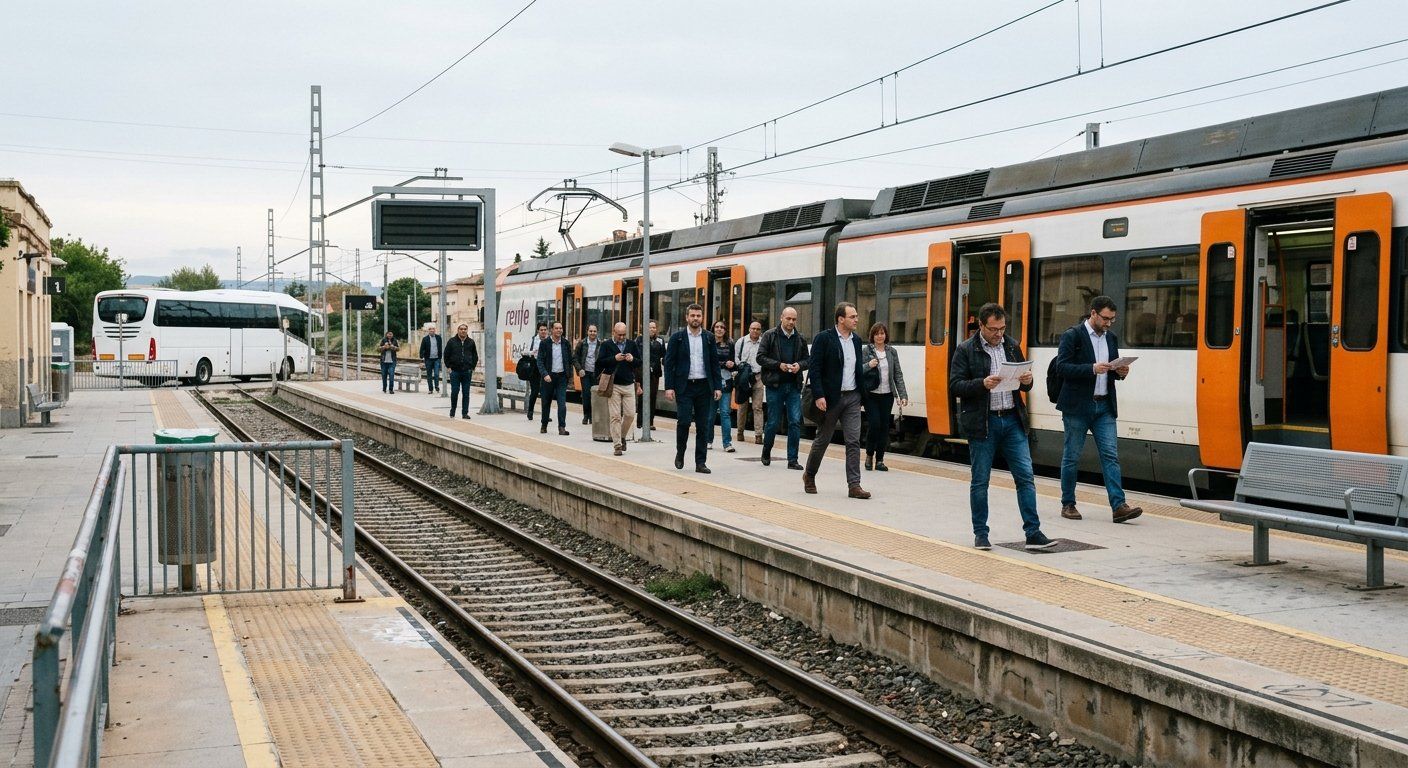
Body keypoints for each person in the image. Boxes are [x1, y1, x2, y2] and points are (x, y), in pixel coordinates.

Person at [950, 303, 1056, 551]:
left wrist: (1027, 381)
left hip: (1011, 420)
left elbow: (1024, 385)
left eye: (1002, 328)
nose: (999, 334)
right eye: (993, 329)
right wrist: (982, 384)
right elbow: (955, 385)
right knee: (980, 481)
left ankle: (1033, 532)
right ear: (981, 326)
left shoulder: (1011, 345)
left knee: (1025, 477)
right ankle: (981, 534)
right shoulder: (966, 349)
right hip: (983, 422)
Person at [1053, 295, 1143, 524]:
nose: (1109, 323)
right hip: (1077, 407)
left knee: (1111, 455)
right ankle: (1068, 503)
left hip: (1104, 405)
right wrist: (1091, 368)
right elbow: (1062, 368)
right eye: (1105, 318)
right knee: (1072, 456)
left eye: (1112, 319)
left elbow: (1111, 368)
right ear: (1093, 313)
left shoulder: (1110, 338)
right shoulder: (1072, 335)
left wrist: (1119, 372)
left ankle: (1119, 506)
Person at [803, 303, 870, 499]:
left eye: (856, 316)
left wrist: (862, 396)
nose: (856, 319)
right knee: (823, 439)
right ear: (841, 319)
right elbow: (814, 369)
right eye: (853, 316)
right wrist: (819, 395)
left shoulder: (856, 341)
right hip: (831, 398)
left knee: (853, 441)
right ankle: (810, 475)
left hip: (852, 397)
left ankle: (854, 485)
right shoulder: (824, 338)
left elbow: (857, 369)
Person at [664, 304, 722, 473]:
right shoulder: (677, 338)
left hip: (704, 386)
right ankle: (680, 453)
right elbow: (669, 364)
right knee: (683, 422)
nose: (695, 318)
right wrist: (669, 387)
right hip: (685, 387)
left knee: (703, 426)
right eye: (693, 315)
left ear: (702, 317)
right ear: (687, 317)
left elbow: (714, 364)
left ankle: (700, 462)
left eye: (698, 315)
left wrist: (717, 386)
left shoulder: (709, 338)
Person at [757, 307, 808, 470]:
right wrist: (779, 365)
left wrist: (799, 366)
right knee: (773, 422)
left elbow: (807, 359)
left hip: (793, 386)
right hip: (775, 385)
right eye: (788, 319)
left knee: (794, 422)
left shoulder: (800, 338)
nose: (791, 322)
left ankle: (792, 459)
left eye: (794, 319)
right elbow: (760, 358)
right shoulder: (769, 335)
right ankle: (766, 451)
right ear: (781, 318)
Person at [861, 322, 908, 472]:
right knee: (874, 424)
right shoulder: (866, 351)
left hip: (887, 395)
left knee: (884, 427)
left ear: (886, 335)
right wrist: (869, 365)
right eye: (877, 334)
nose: (880, 336)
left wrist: (902, 395)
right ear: (872, 336)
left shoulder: (892, 352)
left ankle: (880, 460)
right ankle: (869, 455)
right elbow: (857, 371)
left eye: (882, 333)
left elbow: (898, 374)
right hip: (871, 395)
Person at [597, 322, 641, 456]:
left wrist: (632, 359)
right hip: (613, 384)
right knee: (615, 416)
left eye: (624, 335)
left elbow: (639, 362)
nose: (622, 337)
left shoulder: (631, 344)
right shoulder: (606, 345)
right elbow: (599, 363)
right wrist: (614, 358)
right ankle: (617, 445)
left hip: (628, 384)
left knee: (630, 414)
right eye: (619, 335)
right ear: (614, 332)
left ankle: (622, 436)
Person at [536, 321, 572, 435]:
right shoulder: (545, 343)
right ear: (551, 330)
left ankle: (562, 427)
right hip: (548, 377)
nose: (559, 330)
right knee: (546, 403)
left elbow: (569, 360)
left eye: (561, 328)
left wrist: (568, 374)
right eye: (556, 328)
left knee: (562, 404)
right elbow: (540, 361)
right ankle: (544, 424)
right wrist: (545, 374)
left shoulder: (566, 344)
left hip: (561, 377)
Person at [734, 321, 766, 445]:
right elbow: (736, 357)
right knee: (742, 407)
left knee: (757, 407)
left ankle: (758, 435)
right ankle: (740, 432)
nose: (755, 331)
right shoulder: (741, 342)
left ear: (760, 331)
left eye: (758, 329)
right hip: (743, 378)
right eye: (753, 328)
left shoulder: (763, 343)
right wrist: (742, 367)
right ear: (749, 329)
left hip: (758, 378)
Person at [709, 320, 737, 453]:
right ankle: (708, 440)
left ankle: (727, 443)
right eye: (717, 327)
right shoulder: (708, 342)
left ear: (725, 330)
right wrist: (724, 364)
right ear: (713, 329)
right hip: (711, 382)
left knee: (725, 413)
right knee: (711, 414)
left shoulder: (730, 343)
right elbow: (708, 363)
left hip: (726, 381)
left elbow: (733, 363)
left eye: (722, 327)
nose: (719, 329)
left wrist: (732, 365)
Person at [444, 323, 478, 419]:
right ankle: (453, 410)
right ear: (458, 330)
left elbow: (475, 355)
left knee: (466, 393)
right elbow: (446, 355)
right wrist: (449, 367)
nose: (463, 331)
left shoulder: (471, 342)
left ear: (467, 330)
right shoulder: (452, 341)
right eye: (461, 329)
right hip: (455, 371)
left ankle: (465, 413)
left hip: (467, 371)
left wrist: (472, 367)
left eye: (465, 329)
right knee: (455, 391)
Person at [636, 320, 664, 429]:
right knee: (642, 396)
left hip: (655, 372)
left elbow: (663, 355)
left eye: (654, 327)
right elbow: (638, 355)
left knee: (652, 396)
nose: (652, 329)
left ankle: (650, 422)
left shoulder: (660, 340)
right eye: (650, 327)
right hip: (642, 371)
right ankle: (640, 421)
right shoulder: (640, 340)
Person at [572, 324, 601, 425]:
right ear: (587, 332)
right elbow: (575, 358)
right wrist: (579, 369)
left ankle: (593, 416)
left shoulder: (600, 344)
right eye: (591, 331)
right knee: (586, 394)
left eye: (594, 331)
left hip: (596, 374)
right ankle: (586, 415)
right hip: (585, 373)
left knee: (595, 395)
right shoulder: (582, 343)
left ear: (597, 332)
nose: (593, 333)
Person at [525, 323, 548, 421]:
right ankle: (530, 411)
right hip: (535, 367)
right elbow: (528, 352)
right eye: (541, 330)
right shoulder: (534, 339)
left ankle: (545, 414)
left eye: (545, 330)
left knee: (546, 392)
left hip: (545, 367)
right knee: (534, 391)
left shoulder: (549, 340)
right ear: (538, 331)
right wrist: (533, 352)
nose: (543, 331)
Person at [419, 325, 443, 394]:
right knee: (429, 375)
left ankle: (437, 386)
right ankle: (430, 389)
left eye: (433, 329)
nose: (432, 331)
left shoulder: (438, 338)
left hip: (436, 359)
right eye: (430, 330)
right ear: (428, 331)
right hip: (428, 359)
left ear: (435, 330)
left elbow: (440, 347)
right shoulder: (425, 339)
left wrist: (440, 357)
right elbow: (422, 348)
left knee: (436, 374)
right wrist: (421, 357)